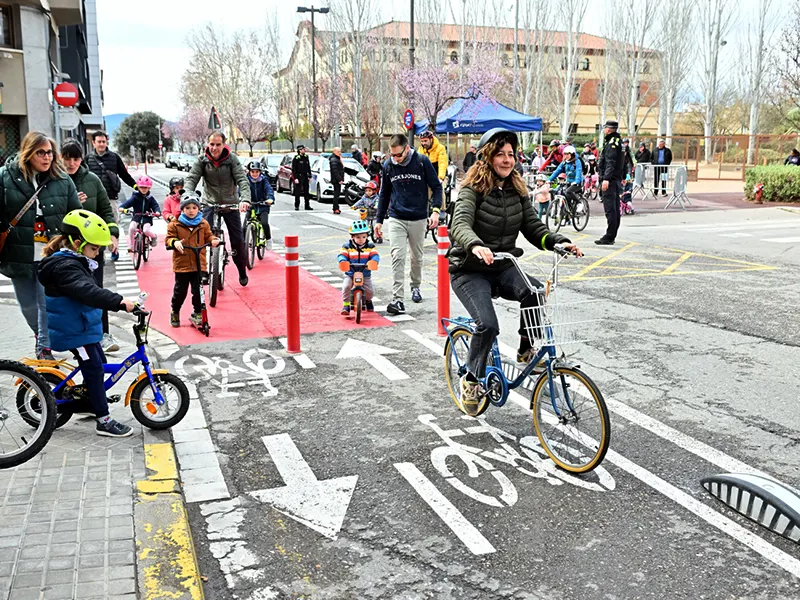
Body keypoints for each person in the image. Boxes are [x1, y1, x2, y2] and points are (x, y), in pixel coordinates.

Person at [448, 128, 582, 415]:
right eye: (500, 154)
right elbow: (459, 224)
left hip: (503, 265)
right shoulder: (472, 190)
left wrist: (559, 242)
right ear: (487, 158)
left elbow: (534, 229)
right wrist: (474, 245)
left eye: (511, 154)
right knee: (488, 325)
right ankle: (471, 380)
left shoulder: (518, 191)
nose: (507, 160)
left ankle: (525, 349)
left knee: (534, 292)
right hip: (469, 269)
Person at [36, 210, 136, 437]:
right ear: (77, 243)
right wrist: (119, 302)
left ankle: (90, 399)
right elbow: (88, 292)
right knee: (93, 368)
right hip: (74, 330)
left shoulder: (76, 261)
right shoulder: (66, 267)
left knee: (98, 362)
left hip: (82, 327)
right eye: (94, 248)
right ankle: (104, 419)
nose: (97, 253)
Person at [0, 131, 81, 360]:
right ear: (28, 154)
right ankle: (41, 338)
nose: (47, 158)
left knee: (46, 304)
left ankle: (44, 348)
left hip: (50, 255)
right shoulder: (6, 178)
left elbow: (75, 215)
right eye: (40, 153)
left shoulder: (62, 179)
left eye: (49, 153)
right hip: (18, 254)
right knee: (27, 306)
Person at [61, 139, 121, 354]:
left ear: (81, 159)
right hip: (66, 249)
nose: (71, 163)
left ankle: (103, 334)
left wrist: (113, 234)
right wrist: (72, 202)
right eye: (66, 158)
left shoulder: (92, 180)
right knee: (69, 293)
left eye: (75, 158)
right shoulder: (55, 180)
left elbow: (106, 210)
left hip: (93, 247)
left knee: (96, 289)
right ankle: (74, 336)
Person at [375, 133, 442, 315]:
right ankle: (397, 300)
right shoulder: (388, 165)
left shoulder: (421, 161)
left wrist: (436, 211)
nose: (395, 158)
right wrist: (379, 220)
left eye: (398, 155)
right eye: (392, 154)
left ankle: (416, 286)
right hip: (396, 216)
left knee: (416, 257)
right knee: (397, 256)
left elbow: (436, 187)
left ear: (407, 148)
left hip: (419, 217)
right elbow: (384, 194)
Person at [185, 130, 252, 286]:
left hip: (230, 204)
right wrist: (187, 196)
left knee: (237, 241)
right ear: (208, 144)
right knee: (201, 237)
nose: (214, 148)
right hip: (209, 202)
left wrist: (245, 199)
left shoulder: (232, 160)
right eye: (212, 144)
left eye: (218, 144)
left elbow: (242, 180)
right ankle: (204, 271)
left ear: (224, 144)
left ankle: (241, 270)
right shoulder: (202, 161)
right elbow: (191, 179)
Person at [164, 193, 220, 328]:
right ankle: (175, 311)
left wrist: (213, 240)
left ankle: (197, 312)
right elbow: (168, 239)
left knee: (198, 290)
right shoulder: (175, 224)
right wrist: (175, 242)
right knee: (180, 291)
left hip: (198, 264)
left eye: (194, 207)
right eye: (187, 208)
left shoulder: (203, 223)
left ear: (198, 209)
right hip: (182, 265)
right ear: (182, 209)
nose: (191, 211)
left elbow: (209, 236)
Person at [85, 130, 137, 262]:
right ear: (93, 143)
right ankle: (95, 252)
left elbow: (124, 175)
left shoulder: (114, 157)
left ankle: (114, 249)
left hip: (110, 197)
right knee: (93, 226)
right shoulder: (87, 159)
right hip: (92, 199)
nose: (102, 144)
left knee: (112, 224)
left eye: (104, 141)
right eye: (99, 142)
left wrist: (136, 186)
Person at [337, 220, 380, 315]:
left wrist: (374, 261)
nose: (361, 239)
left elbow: (375, 255)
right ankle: (346, 304)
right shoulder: (347, 247)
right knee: (346, 286)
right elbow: (342, 255)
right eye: (358, 237)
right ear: (352, 237)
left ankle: (368, 301)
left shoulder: (370, 246)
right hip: (350, 273)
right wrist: (343, 260)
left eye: (364, 237)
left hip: (365, 273)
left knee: (370, 290)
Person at [596, 120, 625, 245]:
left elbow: (611, 162)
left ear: (608, 129)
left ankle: (609, 236)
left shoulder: (612, 143)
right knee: (615, 208)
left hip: (611, 180)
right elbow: (623, 161)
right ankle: (611, 234)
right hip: (616, 179)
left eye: (604, 128)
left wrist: (606, 179)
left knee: (610, 209)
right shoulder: (619, 142)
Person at [119, 176, 160, 250]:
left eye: (146, 188)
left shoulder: (150, 198)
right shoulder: (135, 197)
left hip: (147, 217)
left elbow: (155, 206)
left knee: (146, 230)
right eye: (141, 187)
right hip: (137, 216)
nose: (143, 189)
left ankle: (154, 236)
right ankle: (131, 246)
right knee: (131, 228)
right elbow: (127, 203)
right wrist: (122, 208)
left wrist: (157, 212)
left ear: (149, 188)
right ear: (138, 187)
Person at [245, 159, 275, 250]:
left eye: (257, 172)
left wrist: (270, 198)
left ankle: (268, 239)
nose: (254, 174)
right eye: (252, 172)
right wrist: (241, 200)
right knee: (244, 224)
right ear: (249, 172)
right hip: (251, 205)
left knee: (264, 223)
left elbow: (268, 189)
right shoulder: (246, 180)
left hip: (263, 205)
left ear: (260, 172)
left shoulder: (264, 180)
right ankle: (244, 242)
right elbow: (241, 190)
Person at [547, 145, 583, 212]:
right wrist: (549, 179)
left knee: (568, 191)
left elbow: (578, 171)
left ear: (572, 154)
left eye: (567, 154)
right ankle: (567, 215)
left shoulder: (577, 162)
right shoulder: (564, 162)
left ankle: (579, 203)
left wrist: (577, 181)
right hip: (568, 181)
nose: (566, 156)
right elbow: (557, 171)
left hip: (577, 182)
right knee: (563, 193)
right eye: (565, 154)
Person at [290, 145, 313, 211]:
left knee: (306, 191)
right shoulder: (296, 158)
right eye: (302, 149)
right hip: (299, 176)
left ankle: (307, 205)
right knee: (297, 192)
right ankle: (297, 205)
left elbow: (308, 167)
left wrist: (310, 176)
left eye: (304, 149)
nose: (304, 150)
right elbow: (294, 169)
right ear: (299, 150)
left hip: (305, 176)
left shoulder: (306, 157)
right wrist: (296, 178)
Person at [329, 147, 345, 214]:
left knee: (337, 194)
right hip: (336, 180)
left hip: (337, 179)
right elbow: (335, 171)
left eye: (340, 151)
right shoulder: (334, 160)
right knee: (336, 194)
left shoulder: (337, 159)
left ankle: (336, 207)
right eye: (338, 152)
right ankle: (335, 208)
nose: (340, 153)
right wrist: (339, 179)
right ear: (334, 152)